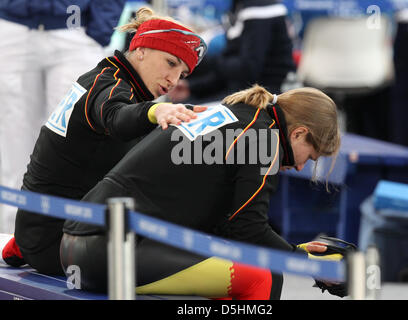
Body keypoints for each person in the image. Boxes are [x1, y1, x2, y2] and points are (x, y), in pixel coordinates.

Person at [60, 84, 346, 299]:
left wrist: (295, 252)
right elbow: (248, 228)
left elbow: (229, 226)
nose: (299, 167)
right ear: (297, 133)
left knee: (230, 269)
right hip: (108, 250)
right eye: (309, 156)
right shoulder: (264, 138)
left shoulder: (237, 116)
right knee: (264, 276)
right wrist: (302, 260)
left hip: (79, 246)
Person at [1, 7, 208, 276]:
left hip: (43, 228)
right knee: (226, 270)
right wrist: (155, 112)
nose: (173, 79)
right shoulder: (109, 86)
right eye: (170, 63)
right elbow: (116, 117)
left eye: (182, 74)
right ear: (142, 49)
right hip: (59, 244)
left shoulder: (110, 77)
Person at [0, 0, 127, 234]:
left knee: (72, 133)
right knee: (13, 138)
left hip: (75, 33)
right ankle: (11, 236)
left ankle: (66, 236)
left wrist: (99, 31)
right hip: (11, 27)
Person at [168, 0, 296, 104]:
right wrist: (192, 87)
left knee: (186, 113)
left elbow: (248, 70)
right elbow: (228, 71)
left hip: (267, 97)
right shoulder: (238, 7)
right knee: (180, 106)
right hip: (243, 91)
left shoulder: (259, 8)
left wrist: (207, 61)